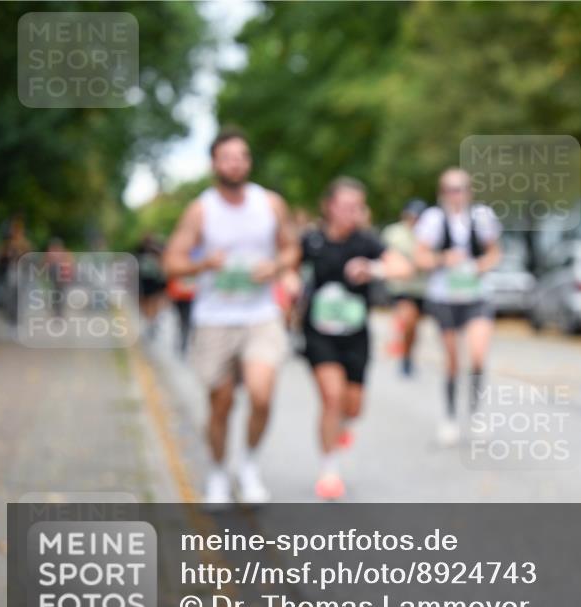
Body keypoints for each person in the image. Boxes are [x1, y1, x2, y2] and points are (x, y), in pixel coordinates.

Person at [163, 127, 299, 509]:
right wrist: (204, 263)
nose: (235, 164)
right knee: (221, 403)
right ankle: (218, 472)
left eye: (241, 157)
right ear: (214, 164)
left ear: (249, 162)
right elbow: (171, 263)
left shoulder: (270, 204)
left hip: (260, 315)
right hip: (215, 318)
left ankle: (249, 464)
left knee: (261, 394)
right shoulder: (201, 210)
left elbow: (292, 249)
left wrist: (275, 266)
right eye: (227, 158)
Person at [298, 177, 411, 500]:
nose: (352, 213)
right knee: (331, 398)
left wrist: (373, 269)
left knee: (353, 407)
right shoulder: (312, 240)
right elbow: (289, 265)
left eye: (357, 207)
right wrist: (289, 282)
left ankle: (342, 427)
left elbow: (403, 267)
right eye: (346, 206)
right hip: (318, 332)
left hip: (355, 335)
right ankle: (329, 469)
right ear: (328, 206)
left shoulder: (366, 241)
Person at [414, 168, 503, 446]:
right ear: (442, 193)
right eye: (451, 189)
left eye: (461, 188)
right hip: (445, 297)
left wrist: (480, 265)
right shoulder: (433, 219)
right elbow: (420, 257)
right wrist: (443, 259)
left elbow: (495, 252)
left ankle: (475, 412)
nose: (457, 195)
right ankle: (450, 415)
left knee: (477, 355)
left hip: (477, 295)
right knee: (452, 361)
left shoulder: (482, 216)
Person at [382, 198, 428, 376]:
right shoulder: (394, 233)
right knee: (407, 319)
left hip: (421, 288)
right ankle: (403, 355)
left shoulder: (429, 234)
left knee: (413, 327)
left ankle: (408, 354)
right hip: (400, 287)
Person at [134, 233, 167, 340]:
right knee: (145, 302)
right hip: (143, 281)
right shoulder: (139, 251)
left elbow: (163, 262)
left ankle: (153, 322)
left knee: (154, 301)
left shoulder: (156, 250)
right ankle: (149, 322)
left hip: (154, 281)